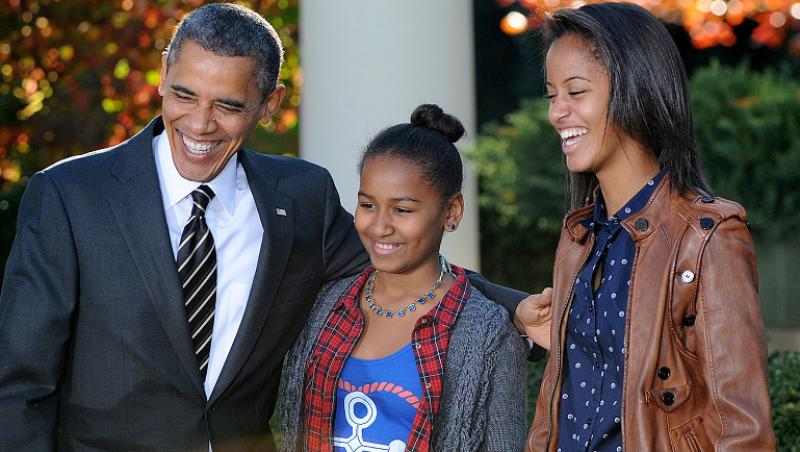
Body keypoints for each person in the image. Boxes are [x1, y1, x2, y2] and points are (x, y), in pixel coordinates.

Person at [0, 4, 545, 451]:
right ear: (165, 73)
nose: (199, 124)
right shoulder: (69, 196)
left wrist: (512, 307)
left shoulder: (300, 197)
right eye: (184, 94)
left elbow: (402, 264)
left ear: (269, 104)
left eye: (228, 105)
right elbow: (20, 386)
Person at [526, 3, 777, 451]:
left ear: (634, 91)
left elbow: (742, 431)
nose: (556, 113)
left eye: (576, 92)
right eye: (551, 95)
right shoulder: (580, 238)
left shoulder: (708, 238)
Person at [280, 104, 544, 452]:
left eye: (402, 210)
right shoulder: (325, 305)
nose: (379, 226)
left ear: (451, 212)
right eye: (367, 204)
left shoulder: (488, 333)